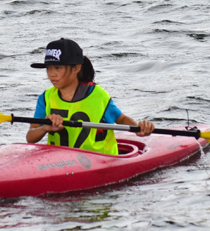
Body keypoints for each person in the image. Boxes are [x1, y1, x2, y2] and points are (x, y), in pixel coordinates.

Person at [26, 38, 155, 155]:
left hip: (100, 160)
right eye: (48, 68)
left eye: (58, 68)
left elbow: (121, 119)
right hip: (60, 163)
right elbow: (30, 137)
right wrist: (45, 128)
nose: (52, 74)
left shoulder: (97, 95)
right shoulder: (46, 97)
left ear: (76, 68)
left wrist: (139, 128)